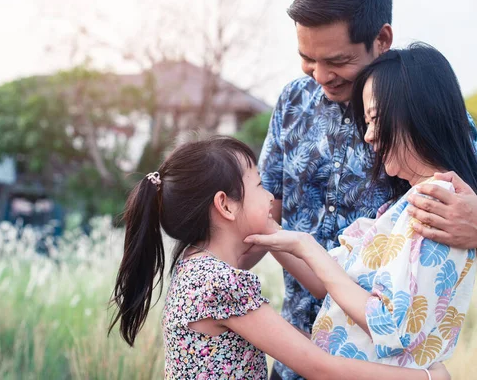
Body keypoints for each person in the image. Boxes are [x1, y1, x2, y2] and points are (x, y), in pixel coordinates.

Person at [245, 0, 477, 378]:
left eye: (337, 60)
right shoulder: (293, 102)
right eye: (308, 59)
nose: (321, 75)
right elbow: (263, 209)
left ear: (382, 38)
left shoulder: (432, 119)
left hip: (381, 366)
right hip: (295, 351)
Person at [108, 136, 450, 379]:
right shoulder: (219, 282)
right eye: (259, 185)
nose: (271, 196)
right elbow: (319, 368)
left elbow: (317, 287)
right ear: (225, 204)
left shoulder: (194, 266)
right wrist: (426, 377)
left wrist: (273, 230)